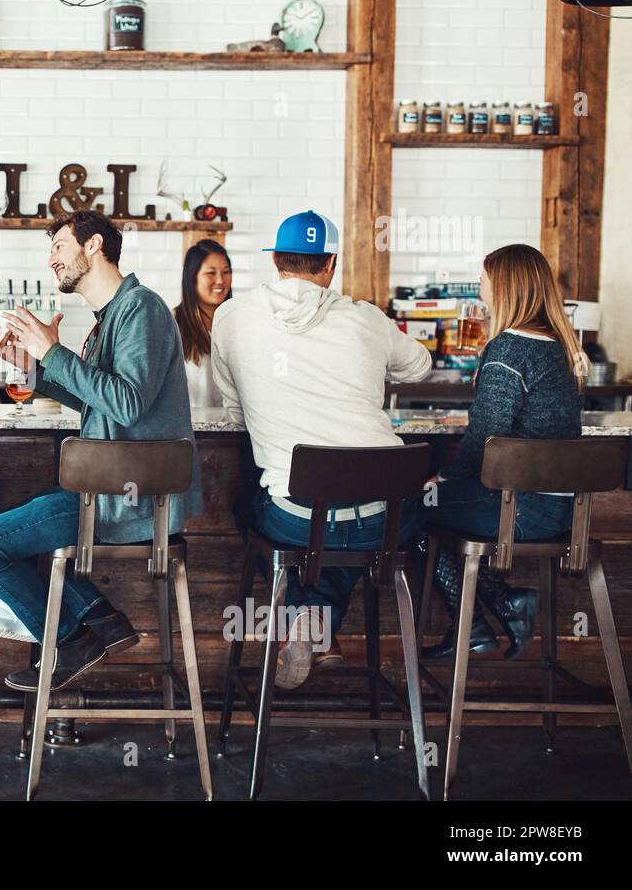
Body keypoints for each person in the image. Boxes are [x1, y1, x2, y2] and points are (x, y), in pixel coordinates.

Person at [0, 209, 203, 692]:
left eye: (58, 247)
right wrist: (32, 367)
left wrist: (53, 352)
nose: (51, 259)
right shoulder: (112, 315)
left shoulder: (141, 308)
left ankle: (74, 641)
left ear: (93, 246)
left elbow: (128, 403)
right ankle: (103, 621)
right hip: (108, 494)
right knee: (14, 534)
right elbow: (96, 395)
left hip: (134, 502)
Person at [210, 210, 432, 689]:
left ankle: (309, 619)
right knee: (353, 534)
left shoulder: (231, 317)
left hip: (295, 515)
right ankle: (316, 623)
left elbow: (234, 414)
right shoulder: (365, 319)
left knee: (303, 531)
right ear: (329, 264)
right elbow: (420, 366)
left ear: (276, 261)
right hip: (382, 518)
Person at [422, 244, 584, 660]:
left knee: (407, 509)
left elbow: (485, 440)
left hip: (521, 509)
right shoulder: (555, 345)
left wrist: (443, 481)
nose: (479, 286)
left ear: (504, 286)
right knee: (424, 504)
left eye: (484, 278)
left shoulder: (510, 348)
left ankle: (480, 622)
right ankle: (498, 610)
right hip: (560, 511)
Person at [174, 239, 232, 409]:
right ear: (192, 278)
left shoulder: (239, 322)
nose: (220, 280)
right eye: (211, 273)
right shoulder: (173, 323)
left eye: (226, 272)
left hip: (235, 429)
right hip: (190, 429)